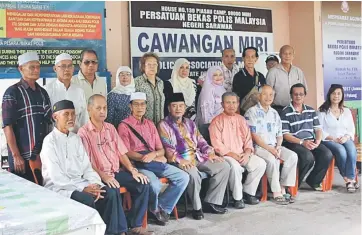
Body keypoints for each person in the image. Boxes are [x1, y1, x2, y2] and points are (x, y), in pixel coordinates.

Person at [40, 100, 152, 235]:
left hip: (82, 181)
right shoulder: (50, 141)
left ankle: (112, 232)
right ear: (55, 117)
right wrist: (84, 188)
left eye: (73, 114)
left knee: (107, 192)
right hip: (60, 187)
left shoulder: (75, 139)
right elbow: (55, 176)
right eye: (66, 114)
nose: (71, 118)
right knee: (88, 198)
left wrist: (96, 184)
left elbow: (87, 167)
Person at [77, 95, 153, 235]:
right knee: (112, 190)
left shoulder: (110, 128)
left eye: (105, 108)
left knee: (143, 183)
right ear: (89, 109)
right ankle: (118, 231)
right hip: (98, 175)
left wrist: (132, 170)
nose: (102, 111)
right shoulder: (83, 133)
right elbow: (86, 163)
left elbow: (122, 152)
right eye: (98, 108)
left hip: (116, 171)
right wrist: (104, 177)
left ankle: (134, 224)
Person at [118, 92, 189, 225]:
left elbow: (161, 149)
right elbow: (125, 152)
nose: (140, 107)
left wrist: (154, 155)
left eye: (142, 104)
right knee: (154, 184)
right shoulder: (124, 126)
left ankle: (160, 208)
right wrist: (145, 157)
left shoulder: (150, 124)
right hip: (138, 164)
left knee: (183, 177)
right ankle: (156, 209)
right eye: (136, 104)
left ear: (146, 106)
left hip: (154, 161)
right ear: (130, 106)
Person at [158, 93, 230, 220]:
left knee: (223, 166)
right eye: (174, 106)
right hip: (178, 160)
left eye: (181, 106)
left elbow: (201, 141)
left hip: (197, 157)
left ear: (185, 108)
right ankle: (197, 208)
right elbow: (168, 150)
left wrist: (210, 153)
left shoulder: (190, 123)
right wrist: (182, 160)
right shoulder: (163, 125)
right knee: (193, 173)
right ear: (169, 108)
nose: (178, 109)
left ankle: (210, 202)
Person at [209, 92, 266, 208]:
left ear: (238, 104)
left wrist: (247, 153)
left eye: (234, 102)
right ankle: (238, 198)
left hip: (242, 154)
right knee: (235, 167)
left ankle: (248, 192)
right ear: (222, 104)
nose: (231, 105)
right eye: (228, 102)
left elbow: (248, 139)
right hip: (226, 155)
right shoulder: (216, 121)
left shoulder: (241, 119)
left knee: (261, 164)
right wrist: (232, 155)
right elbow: (217, 144)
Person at [2, 51, 52, 182]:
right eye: (32, 67)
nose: (36, 70)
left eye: (38, 67)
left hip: (42, 157)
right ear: (20, 69)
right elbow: (7, 126)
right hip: (21, 159)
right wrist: (16, 155)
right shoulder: (12, 92)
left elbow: (49, 122)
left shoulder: (43, 93)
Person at [244, 86, 298, 204]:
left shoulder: (274, 113)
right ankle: (276, 192)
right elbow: (254, 135)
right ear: (259, 96)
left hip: (274, 146)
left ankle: (284, 187)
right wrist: (270, 149)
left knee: (292, 156)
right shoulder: (251, 112)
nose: (268, 97)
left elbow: (280, 134)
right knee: (272, 159)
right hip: (259, 147)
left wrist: (278, 147)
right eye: (265, 94)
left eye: (271, 95)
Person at [281, 83, 333, 190]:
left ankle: (313, 181)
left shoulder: (310, 110)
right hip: (294, 143)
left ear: (305, 95)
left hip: (311, 140)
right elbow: (286, 135)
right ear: (291, 95)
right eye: (295, 94)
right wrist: (302, 142)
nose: (298, 96)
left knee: (327, 154)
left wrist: (317, 141)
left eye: (301, 94)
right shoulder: (285, 112)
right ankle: (293, 185)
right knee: (307, 157)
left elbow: (318, 129)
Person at [318, 84, 358, 193]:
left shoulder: (346, 111)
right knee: (341, 151)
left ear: (342, 95)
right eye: (334, 93)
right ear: (329, 95)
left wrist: (346, 137)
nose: (336, 96)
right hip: (329, 139)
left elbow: (351, 128)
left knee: (352, 150)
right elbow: (319, 130)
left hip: (345, 138)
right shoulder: (322, 111)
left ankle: (350, 178)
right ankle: (349, 179)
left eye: (339, 93)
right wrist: (333, 138)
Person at [45, 53, 88, 132]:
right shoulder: (47, 90)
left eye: (69, 66)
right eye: (63, 66)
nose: (67, 69)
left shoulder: (79, 91)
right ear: (55, 69)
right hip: (55, 138)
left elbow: (84, 119)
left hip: (75, 138)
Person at [266, 45, 308, 114]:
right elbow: (267, 92)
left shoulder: (298, 71)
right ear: (280, 55)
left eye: (290, 53)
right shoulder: (273, 72)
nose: (287, 56)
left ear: (293, 56)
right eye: (285, 53)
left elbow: (304, 90)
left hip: (296, 109)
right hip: (278, 109)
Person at [232, 47, 266, 115]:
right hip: (244, 114)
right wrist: (238, 117)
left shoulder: (261, 76)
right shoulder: (238, 77)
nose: (250, 59)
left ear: (256, 59)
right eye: (247, 57)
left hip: (259, 114)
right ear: (243, 58)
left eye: (252, 57)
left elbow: (265, 96)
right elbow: (236, 99)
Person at [134, 52, 165, 124]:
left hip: (160, 126)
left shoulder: (160, 82)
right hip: (143, 126)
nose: (152, 67)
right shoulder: (137, 82)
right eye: (149, 64)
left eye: (155, 64)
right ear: (143, 66)